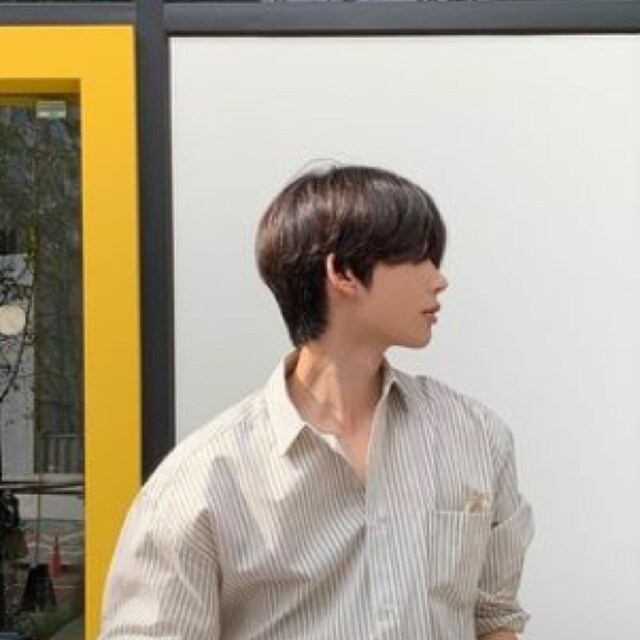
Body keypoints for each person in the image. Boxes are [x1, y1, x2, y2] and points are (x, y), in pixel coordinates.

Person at [98, 164, 534, 640]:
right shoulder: (199, 484)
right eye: (419, 258)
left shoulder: (474, 436)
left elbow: (494, 619)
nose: (439, 279)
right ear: (343, 271)